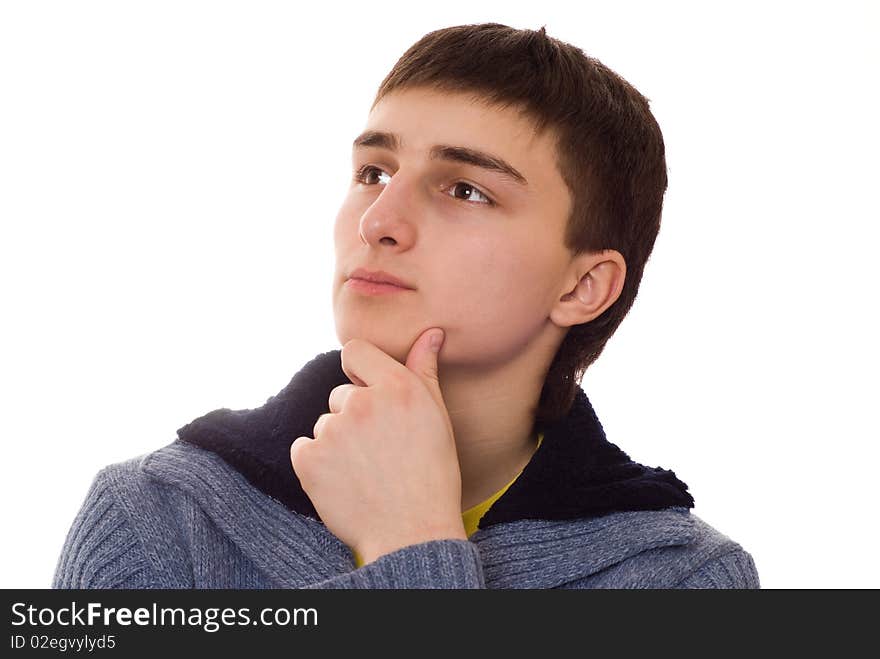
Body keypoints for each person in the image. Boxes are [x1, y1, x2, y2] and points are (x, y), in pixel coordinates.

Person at [53, 23, 759, 589]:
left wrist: (408, 540)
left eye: (464, 190)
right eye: (373, 172)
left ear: (583, 287)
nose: (379, 219)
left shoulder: (687, 578)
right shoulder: (153, 515)